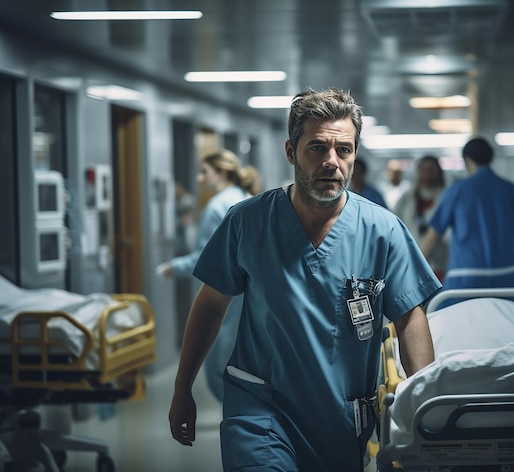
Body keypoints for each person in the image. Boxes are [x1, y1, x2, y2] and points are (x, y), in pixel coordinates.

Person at [168, 88, 441, 472]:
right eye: (317, 148)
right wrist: (182, 390)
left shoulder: (383, 231)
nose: (332, 161)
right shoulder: (247, 222)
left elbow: (409, 317)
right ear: (290, 151)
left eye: (343, 150)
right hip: (260, 409)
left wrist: (429, 406)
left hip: (341, 419)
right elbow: (210, 305)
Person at [159, 150, 257, 402]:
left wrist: (171, 268)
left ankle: (238, 423)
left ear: (222, 172)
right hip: (251, 292)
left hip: (227, 294)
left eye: (205, 172)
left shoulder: (218, 207)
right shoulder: (247, 200)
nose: (200, 179)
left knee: (218, 367)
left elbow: (206, 258)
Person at [420, 137, 514, 308]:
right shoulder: (511, 190)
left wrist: (415, 270)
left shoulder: (457, 190)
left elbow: (433, 237)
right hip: (506, 281)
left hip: (463, 283)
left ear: (467, 160)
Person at [393, 155, 448, 280]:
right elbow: (395, 227)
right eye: (423, 170)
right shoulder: (406, 198)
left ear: (438, 173)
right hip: (410, 261)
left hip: (439, 264)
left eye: (431, 171)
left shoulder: (446, 197)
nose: (427, 175)